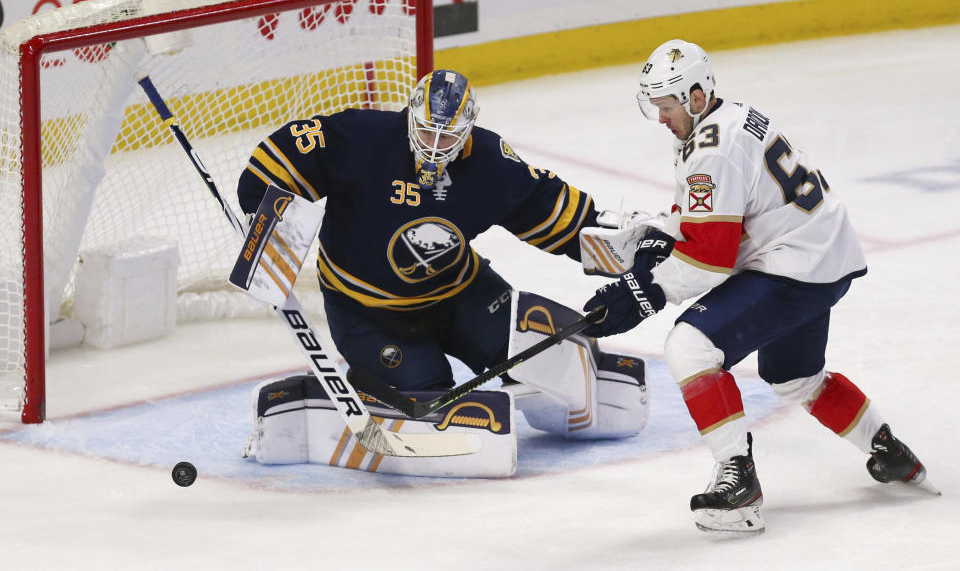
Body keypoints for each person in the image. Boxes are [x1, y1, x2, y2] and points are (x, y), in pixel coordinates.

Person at [582, 39, 936, 534]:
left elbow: (709, 261)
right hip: (821, 255)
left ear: (697, 97)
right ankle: (888, 449)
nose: (660, 118)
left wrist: (641, 292)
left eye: (666, 107)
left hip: (794, 266)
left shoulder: (711, 150)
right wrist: (661, 236)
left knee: (690, 347)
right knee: (794, 376)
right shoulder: (732, 116)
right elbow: (723, 220)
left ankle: (738, 481)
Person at [237, 69, 649, 446]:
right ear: (410, 116)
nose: (434, 146)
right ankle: (360, 389)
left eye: (447, 137)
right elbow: (283, 156)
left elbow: (548, 208)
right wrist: (263, 208)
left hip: (462, 295)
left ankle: (564, 389)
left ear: (467, 129)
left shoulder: (489, 161)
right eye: (426, 132)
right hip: (368, 312)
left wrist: (622, 243)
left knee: (540, 357)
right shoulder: (362, 138)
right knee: (429, 400)